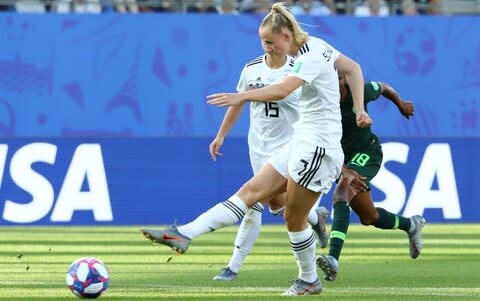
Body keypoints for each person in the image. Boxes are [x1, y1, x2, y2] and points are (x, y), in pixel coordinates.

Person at [141, 2, 371, 295]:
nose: (271, 49)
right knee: (250, 193)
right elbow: (353, 67)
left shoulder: (310, 54)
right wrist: (359, 108)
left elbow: (282, 90)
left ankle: (309, 279)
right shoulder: (317, 46)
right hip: (300, 141)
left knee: (293, 218)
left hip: (318, 147)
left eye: (272, 43)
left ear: (287, 35)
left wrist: (241, 97)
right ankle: (184, 234)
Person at [209, 49, 329, 281]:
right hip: (259, 146)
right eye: (265, 41)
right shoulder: (251, 68)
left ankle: (232, 268)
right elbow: (238, 101)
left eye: (273, 41)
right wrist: (221, 135)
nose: (270, 46)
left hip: (291, 146)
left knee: (256, 202)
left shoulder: (298, 68)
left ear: (286, 40)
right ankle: (316, 218)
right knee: (273, 205)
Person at [315, 73, 426, 282]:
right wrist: (342, 169)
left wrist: (400, 104)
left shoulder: (360, 91)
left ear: (344, 80)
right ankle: (411, 225)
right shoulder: (318, 103)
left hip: (366, 153)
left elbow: (384, 87)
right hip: (338, 159)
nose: (332, 84)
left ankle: (333, 259)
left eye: (337, 79)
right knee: (369, 217)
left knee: (342, 192)